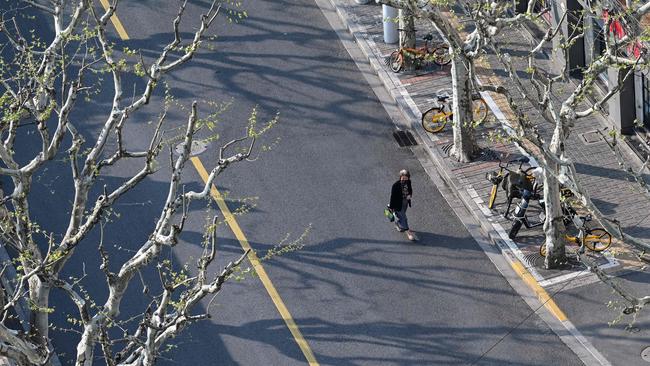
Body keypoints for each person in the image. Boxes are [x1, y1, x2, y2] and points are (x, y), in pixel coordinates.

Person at [388, 169, 416, 241]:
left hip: (405, 202)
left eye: (406, 178)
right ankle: (408, 233)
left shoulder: (408, 182)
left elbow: (410, 190)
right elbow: (392, 197)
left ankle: (398, 224)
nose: (404, 180)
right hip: (398, 204)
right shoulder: (395, 186)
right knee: (404, 217)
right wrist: (391, 207)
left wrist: (410, 195)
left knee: (402, 216)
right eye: (403, 178)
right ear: (400, 177)